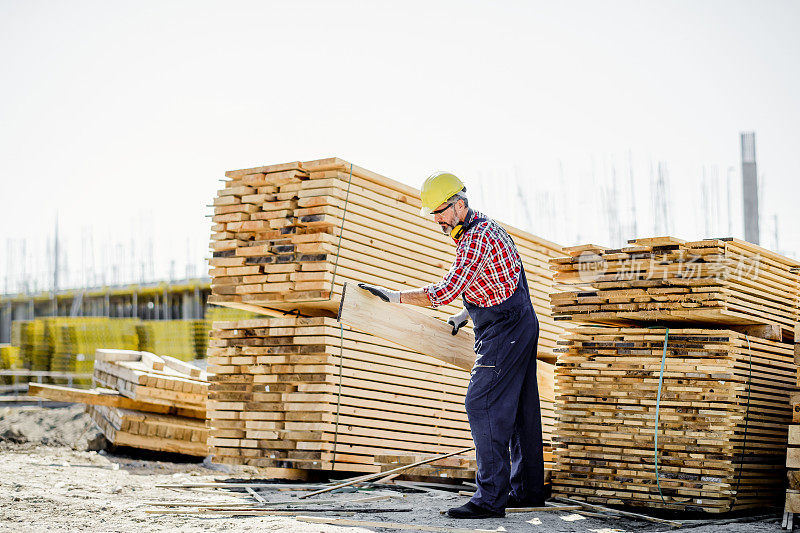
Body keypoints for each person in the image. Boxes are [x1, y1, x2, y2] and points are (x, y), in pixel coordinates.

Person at [359, 171, 545, 519]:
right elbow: (494, 278)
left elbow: (443, 290)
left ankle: (490, 500)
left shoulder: (475, 238)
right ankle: (528, 492)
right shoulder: (483, 228)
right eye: (432, 213)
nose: (436, 219)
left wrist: (395, 296)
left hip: (506, 328)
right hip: (516, 320)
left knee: (482, 403)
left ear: (460, 205)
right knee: (520, 408)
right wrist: (465, 315)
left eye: (440, 211)